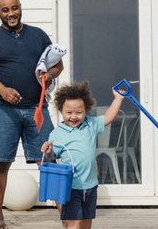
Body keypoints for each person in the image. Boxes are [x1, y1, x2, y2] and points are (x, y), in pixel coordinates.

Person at [0, 0, 64, 229]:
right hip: (3, 109)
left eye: (14, 8)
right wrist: (3, 90)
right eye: (5, 10)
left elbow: (58, 65)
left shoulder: (38, 36)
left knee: (48, 159)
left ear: (20, 7)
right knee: (1, 161)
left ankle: (63, 211)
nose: (10, 13)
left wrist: (50, 73)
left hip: (37, 108)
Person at [41, 81, 126, 229]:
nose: (74, 116)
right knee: (74, 224)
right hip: (71, 187)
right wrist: (48, 151)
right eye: (69, 112)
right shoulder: (57, 134)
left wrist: (118, 99)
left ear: (86, 110)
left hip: (90, 186)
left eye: (79, 112)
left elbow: (108, 117)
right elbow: (51, 156)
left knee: (86, 222)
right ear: (61, 110)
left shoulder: (91, 125)